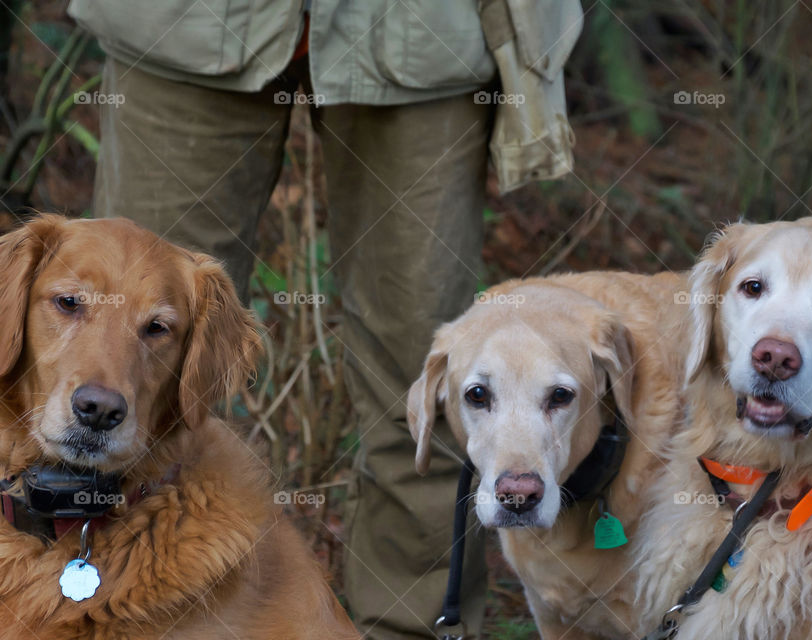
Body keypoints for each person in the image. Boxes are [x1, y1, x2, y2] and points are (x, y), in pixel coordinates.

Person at [66, 1, 582, 637]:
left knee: (424, 386)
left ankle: (414, 629)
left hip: (428, 29)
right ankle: (84, 613)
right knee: (119, 362)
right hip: (181, 21)